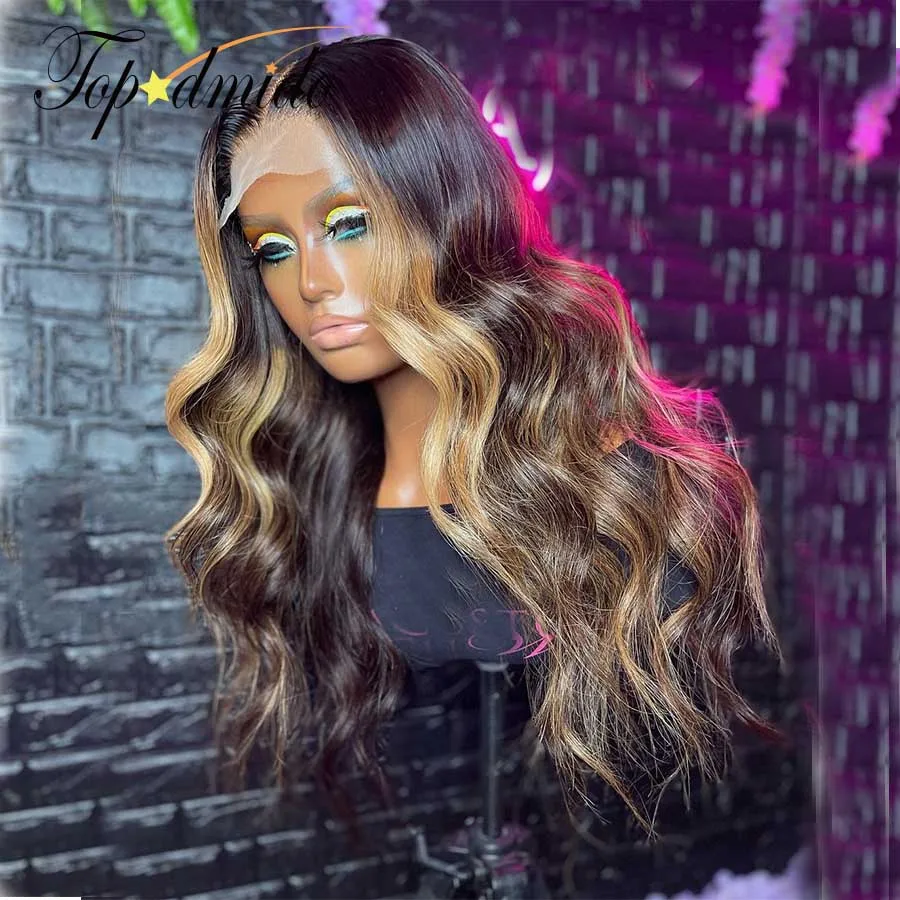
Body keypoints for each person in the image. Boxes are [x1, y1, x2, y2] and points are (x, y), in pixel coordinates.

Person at [164, 35, 782, 847]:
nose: (311, 282)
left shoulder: (625, 490)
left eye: (349, 223)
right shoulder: (307, 495)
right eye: (272, 248)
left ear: (444, 209)